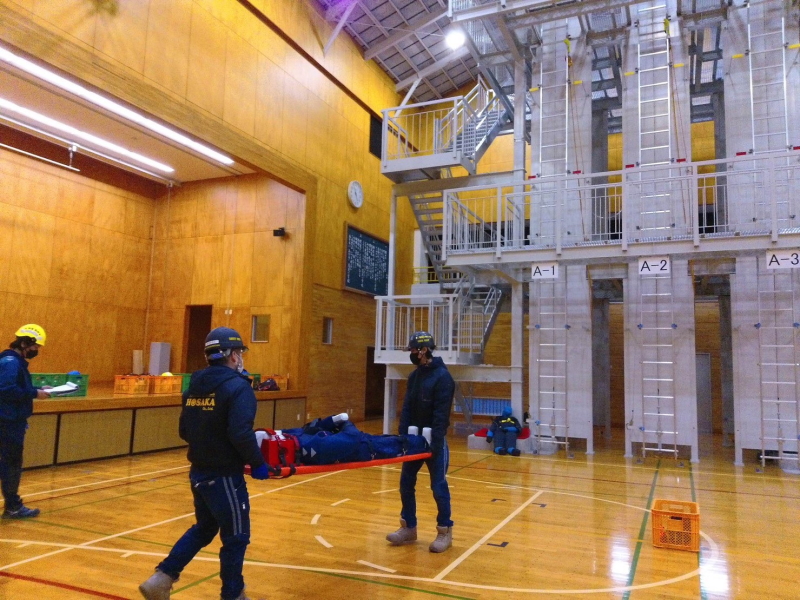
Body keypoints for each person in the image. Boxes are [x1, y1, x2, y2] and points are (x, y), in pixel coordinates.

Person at [139, 327, 269, 600]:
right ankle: (233, 594)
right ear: (232, 355)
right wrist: (257, 462)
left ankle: (161, 579)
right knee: (236, 537)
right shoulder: (239, 387)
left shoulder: (193, 386)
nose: (240, 357)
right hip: (224, 476)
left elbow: (184, 431)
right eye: (239, 352)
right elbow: (240, 433)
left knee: (205, 528)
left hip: (199, 472)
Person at [386, 331, 456, 553]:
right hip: (414, 440)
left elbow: (441, 415)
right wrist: (403, 436)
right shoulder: (414, 377)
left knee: (438, 487)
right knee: (406, 484)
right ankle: (409, 528)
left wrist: (434, 444)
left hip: (434, 442)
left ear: (424, 350)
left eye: (414, 350)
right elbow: (407, 407)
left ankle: (444, 531)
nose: (412, 354)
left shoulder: (443, 378)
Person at [0, 324, 50, 519]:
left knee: (9, 463)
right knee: (11, 463)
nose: (36, 350)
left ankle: (12, 505)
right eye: (35, 347)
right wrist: (34, 393)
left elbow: (16, 386)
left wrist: (37, 389)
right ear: (24, 344)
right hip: (8, 421)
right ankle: (13, 507)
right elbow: (6, 390)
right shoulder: (11, 363)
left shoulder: (12, 361)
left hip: (10, 419)